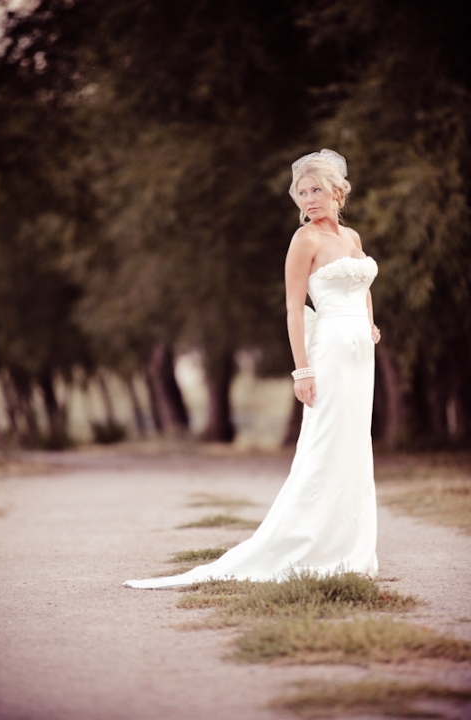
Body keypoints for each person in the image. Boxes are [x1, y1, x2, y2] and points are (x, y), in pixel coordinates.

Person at [124, 148, 380, 589]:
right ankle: (306, 542)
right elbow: (294, 309)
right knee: (324, 444)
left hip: (361, 354)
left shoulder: (352, 239)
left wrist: (371, 324)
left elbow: (362, 285)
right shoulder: (305, 241)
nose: (308, 199)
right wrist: (303, 371)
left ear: (338, 192)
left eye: (316, 190)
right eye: (301, 193)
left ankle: (349, 546)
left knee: (355, 443)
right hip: (331, 353)